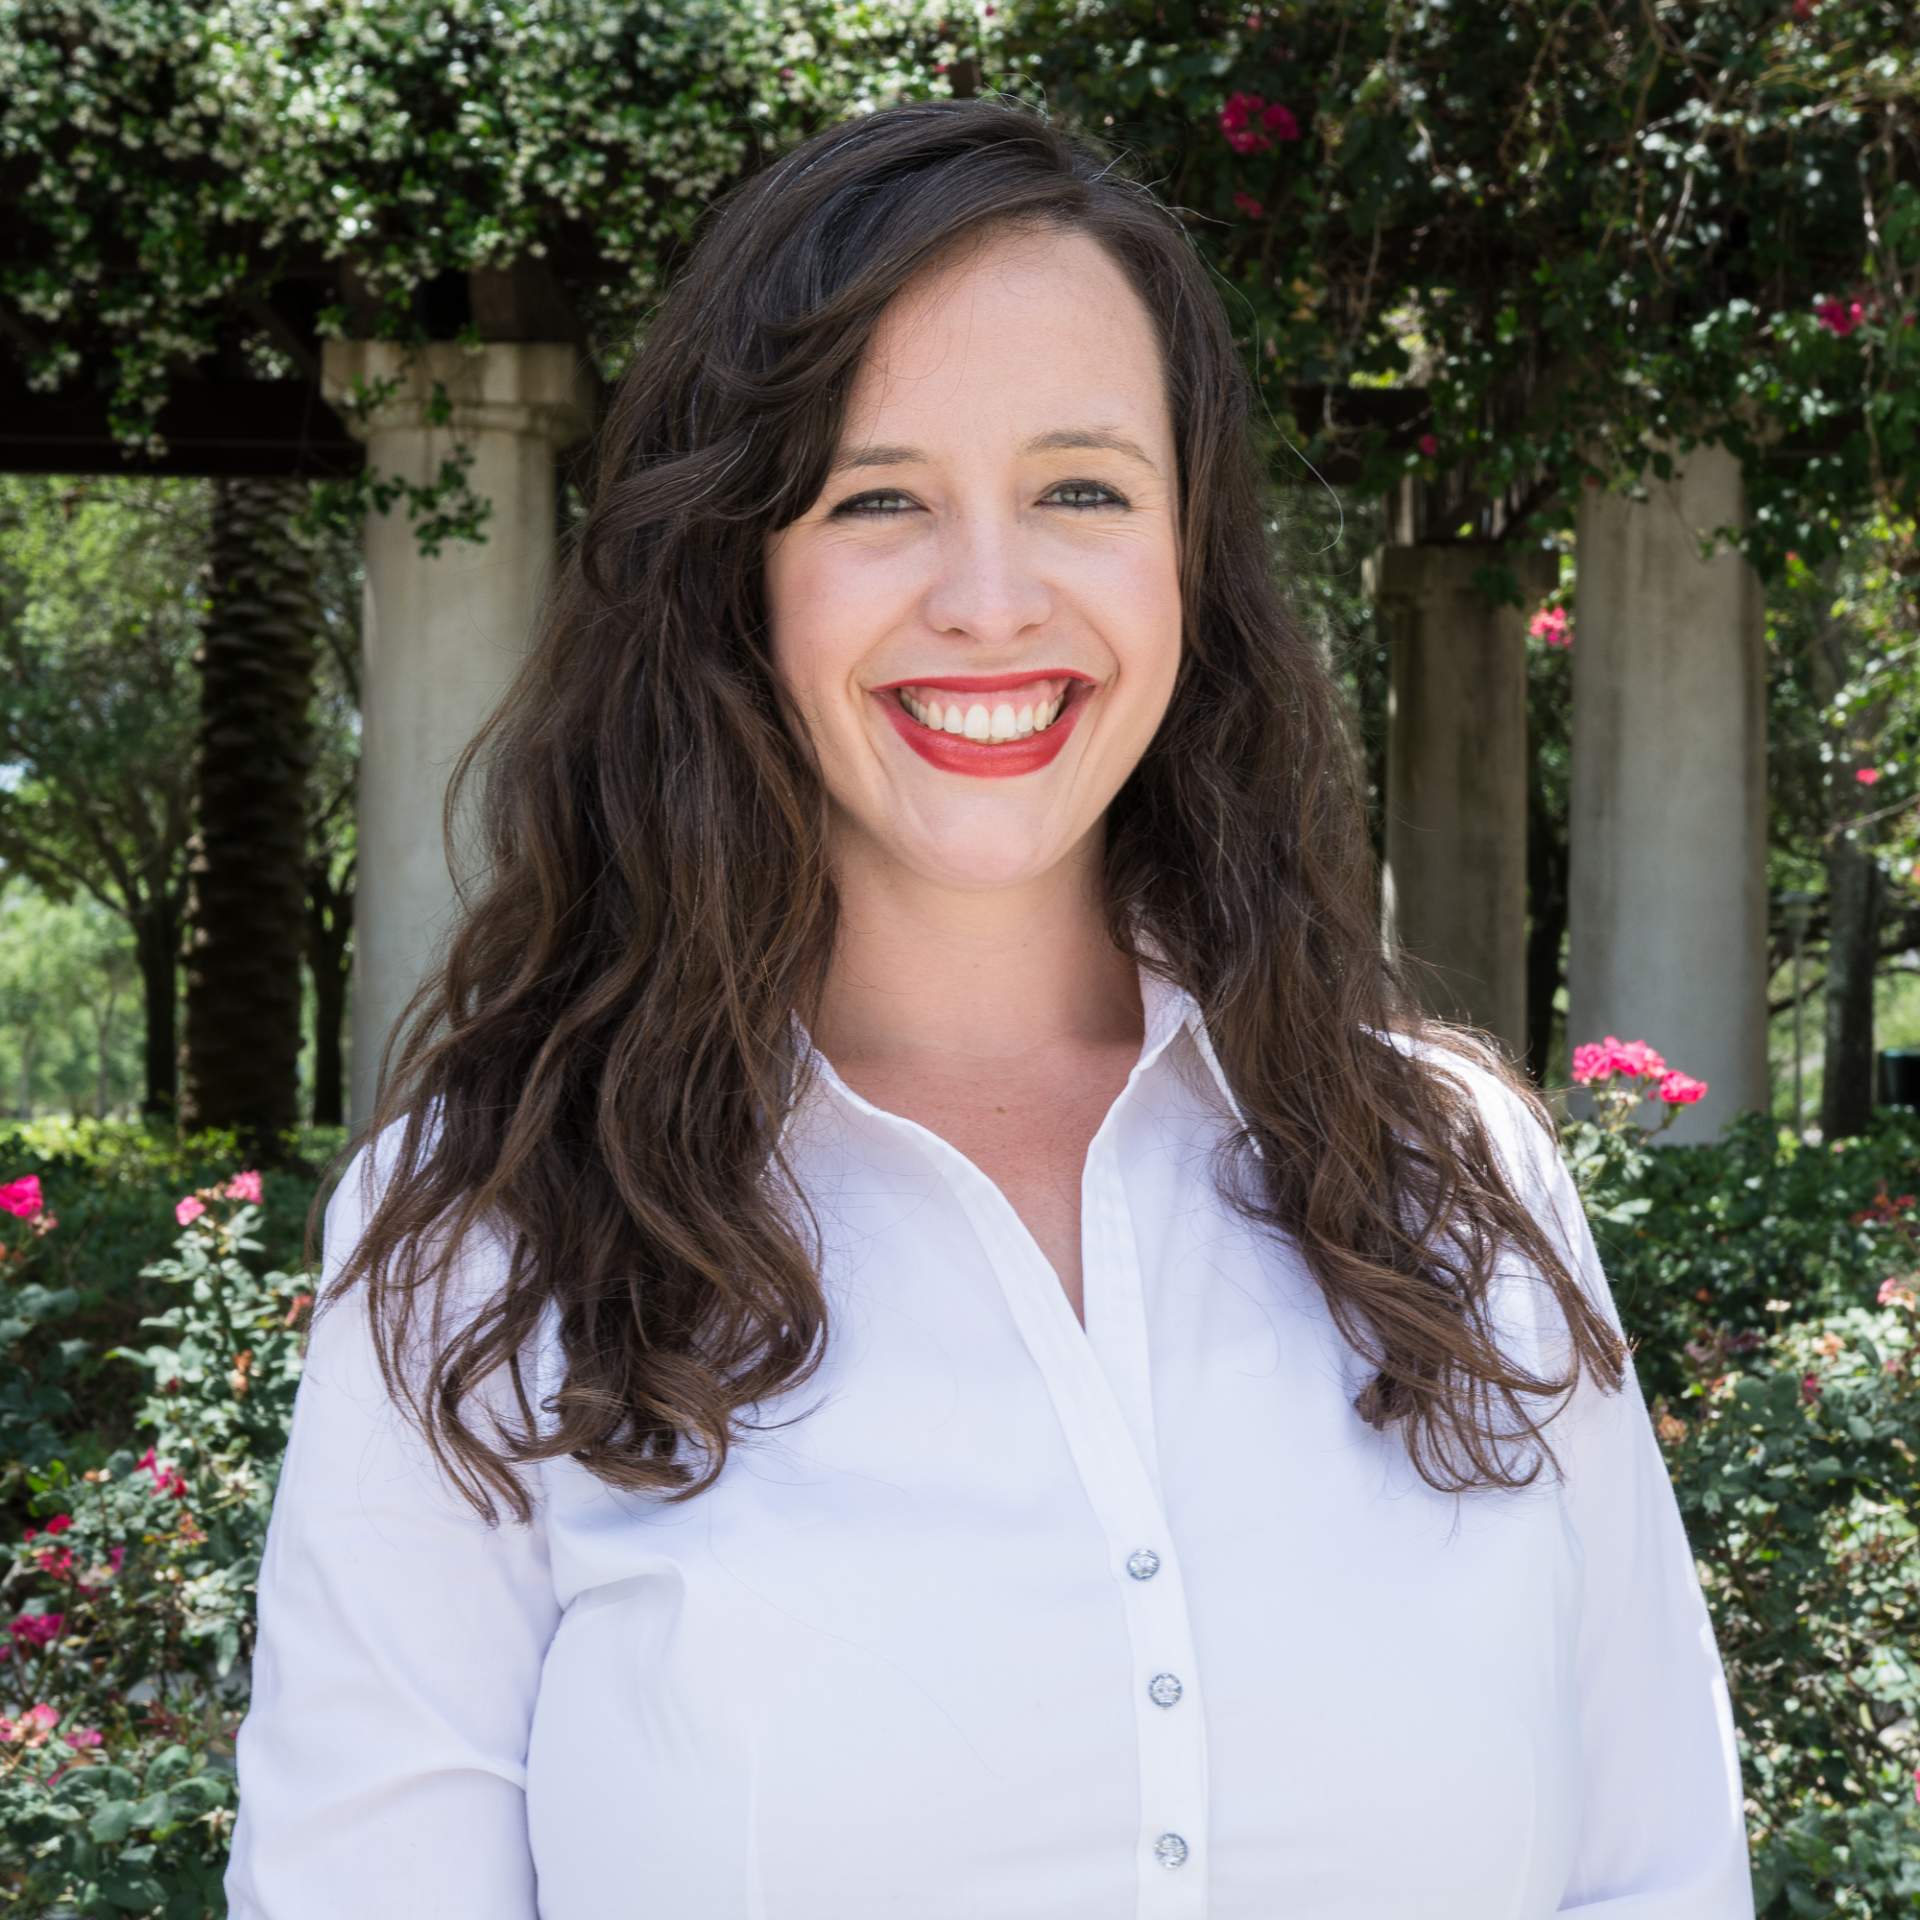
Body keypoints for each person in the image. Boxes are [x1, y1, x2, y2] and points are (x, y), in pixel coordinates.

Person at [224, 95, 1754, 1919]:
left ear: (1192, 557)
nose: (991, 597)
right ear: (737, 573)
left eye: (1083, 489)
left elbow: (1655, 1872)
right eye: (879, 498)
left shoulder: (1456, 1176)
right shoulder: (480, 1239)